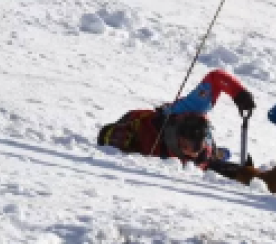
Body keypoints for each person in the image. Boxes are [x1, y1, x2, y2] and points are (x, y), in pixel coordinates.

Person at [97, 69, 257, 178]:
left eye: (196, 145)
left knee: (211, 158)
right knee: (211, 162)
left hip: (154, 122)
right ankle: (219, 153)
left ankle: (219, 152)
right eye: (189, 147)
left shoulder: (192, 107)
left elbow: (216, 77)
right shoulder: (159, 155)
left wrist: (239, 93)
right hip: (200, 157)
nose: (193, 150)